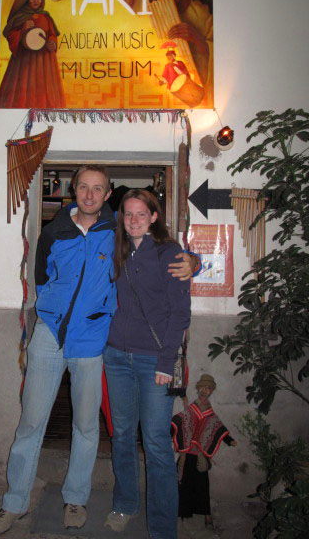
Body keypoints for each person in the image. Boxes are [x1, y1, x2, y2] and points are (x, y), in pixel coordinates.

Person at [0, 167, 194, 535]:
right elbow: (41, 278)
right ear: (74, 189)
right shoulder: (55, 231)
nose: (89, 194)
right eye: (83, 186)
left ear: (107, 193)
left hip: (94, 342)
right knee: (31, 424)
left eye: (98, 188)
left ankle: (76, 499)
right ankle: (13, 503)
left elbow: (163, 252)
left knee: (87, 427)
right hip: (51, 337)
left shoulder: (114, 230)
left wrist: (194, 260)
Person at [104, 189, 191, 539]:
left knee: (155, 442)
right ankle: (125, 504)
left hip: (153, 360)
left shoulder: (169, 253)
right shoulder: (117, 250)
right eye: (128, 214)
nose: (134, 220)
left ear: (154, 216)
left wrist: (166, 362)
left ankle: (162, 527)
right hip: (116, 356)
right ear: (120, 219)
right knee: (122, 435)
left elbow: (180, 314)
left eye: (142, 213)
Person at [171, 374, 237, 527]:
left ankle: (206, 515)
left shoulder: (210, 413)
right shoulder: (191, 408)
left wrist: (229, 439)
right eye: (202, 387)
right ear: (198, 388)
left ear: (211, 391)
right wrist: (169, 429)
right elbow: (179, 420)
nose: (204, 390)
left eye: (208, 388)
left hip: (199, 454)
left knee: (202, 485)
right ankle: (182, 512)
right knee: (183, 483)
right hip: (186, 454)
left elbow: (217, 427)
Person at [0, 0, 66, 109]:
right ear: (28, 0)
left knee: (45, 87)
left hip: (44, 60)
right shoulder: (20, 17)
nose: (36, 1)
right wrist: (23, 29)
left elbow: (52, 34)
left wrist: (52, 42)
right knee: (24, 87)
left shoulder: (45, 16)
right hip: (24, 61)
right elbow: (10, 34)